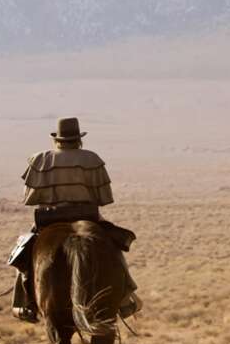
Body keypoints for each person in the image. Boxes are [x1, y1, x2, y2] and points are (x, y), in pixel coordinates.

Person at [9, 117, 139, 322]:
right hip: (87, 216)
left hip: (49, 218)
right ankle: (124, 298)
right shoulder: (91, 159)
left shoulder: (41, 160)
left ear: (57, 139)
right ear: (79, 139)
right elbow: (103, 197)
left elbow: (31, 198)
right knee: (114, 249)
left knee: (24, 254)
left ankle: (24, 303)